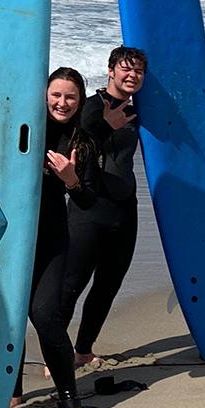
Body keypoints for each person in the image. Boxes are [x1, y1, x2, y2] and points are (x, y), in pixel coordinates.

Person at [25, 68, 103, 408]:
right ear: (44, 96)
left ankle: (70, 403)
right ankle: (10, 394)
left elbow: (87, 200)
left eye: (70, 97)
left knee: (45, 316)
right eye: (56, 95)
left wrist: (70, 179)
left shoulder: (82, 143)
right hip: (11, 236)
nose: (62, 102)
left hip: (51, 238)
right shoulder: (24, 130)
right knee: (6, 318)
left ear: (80, 100)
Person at [68, 46, 145, 363]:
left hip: (125, 208)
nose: (132, 75)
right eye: (126, 68)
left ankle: (83, 350)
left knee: (109, 283)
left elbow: (176, 128)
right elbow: (76, 147)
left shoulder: (138, 110)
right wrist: (105, 126)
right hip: (89, 209)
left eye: (138, 71)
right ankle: (56, 354)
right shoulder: (89, 107)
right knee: (70, 286)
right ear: (110, 70)